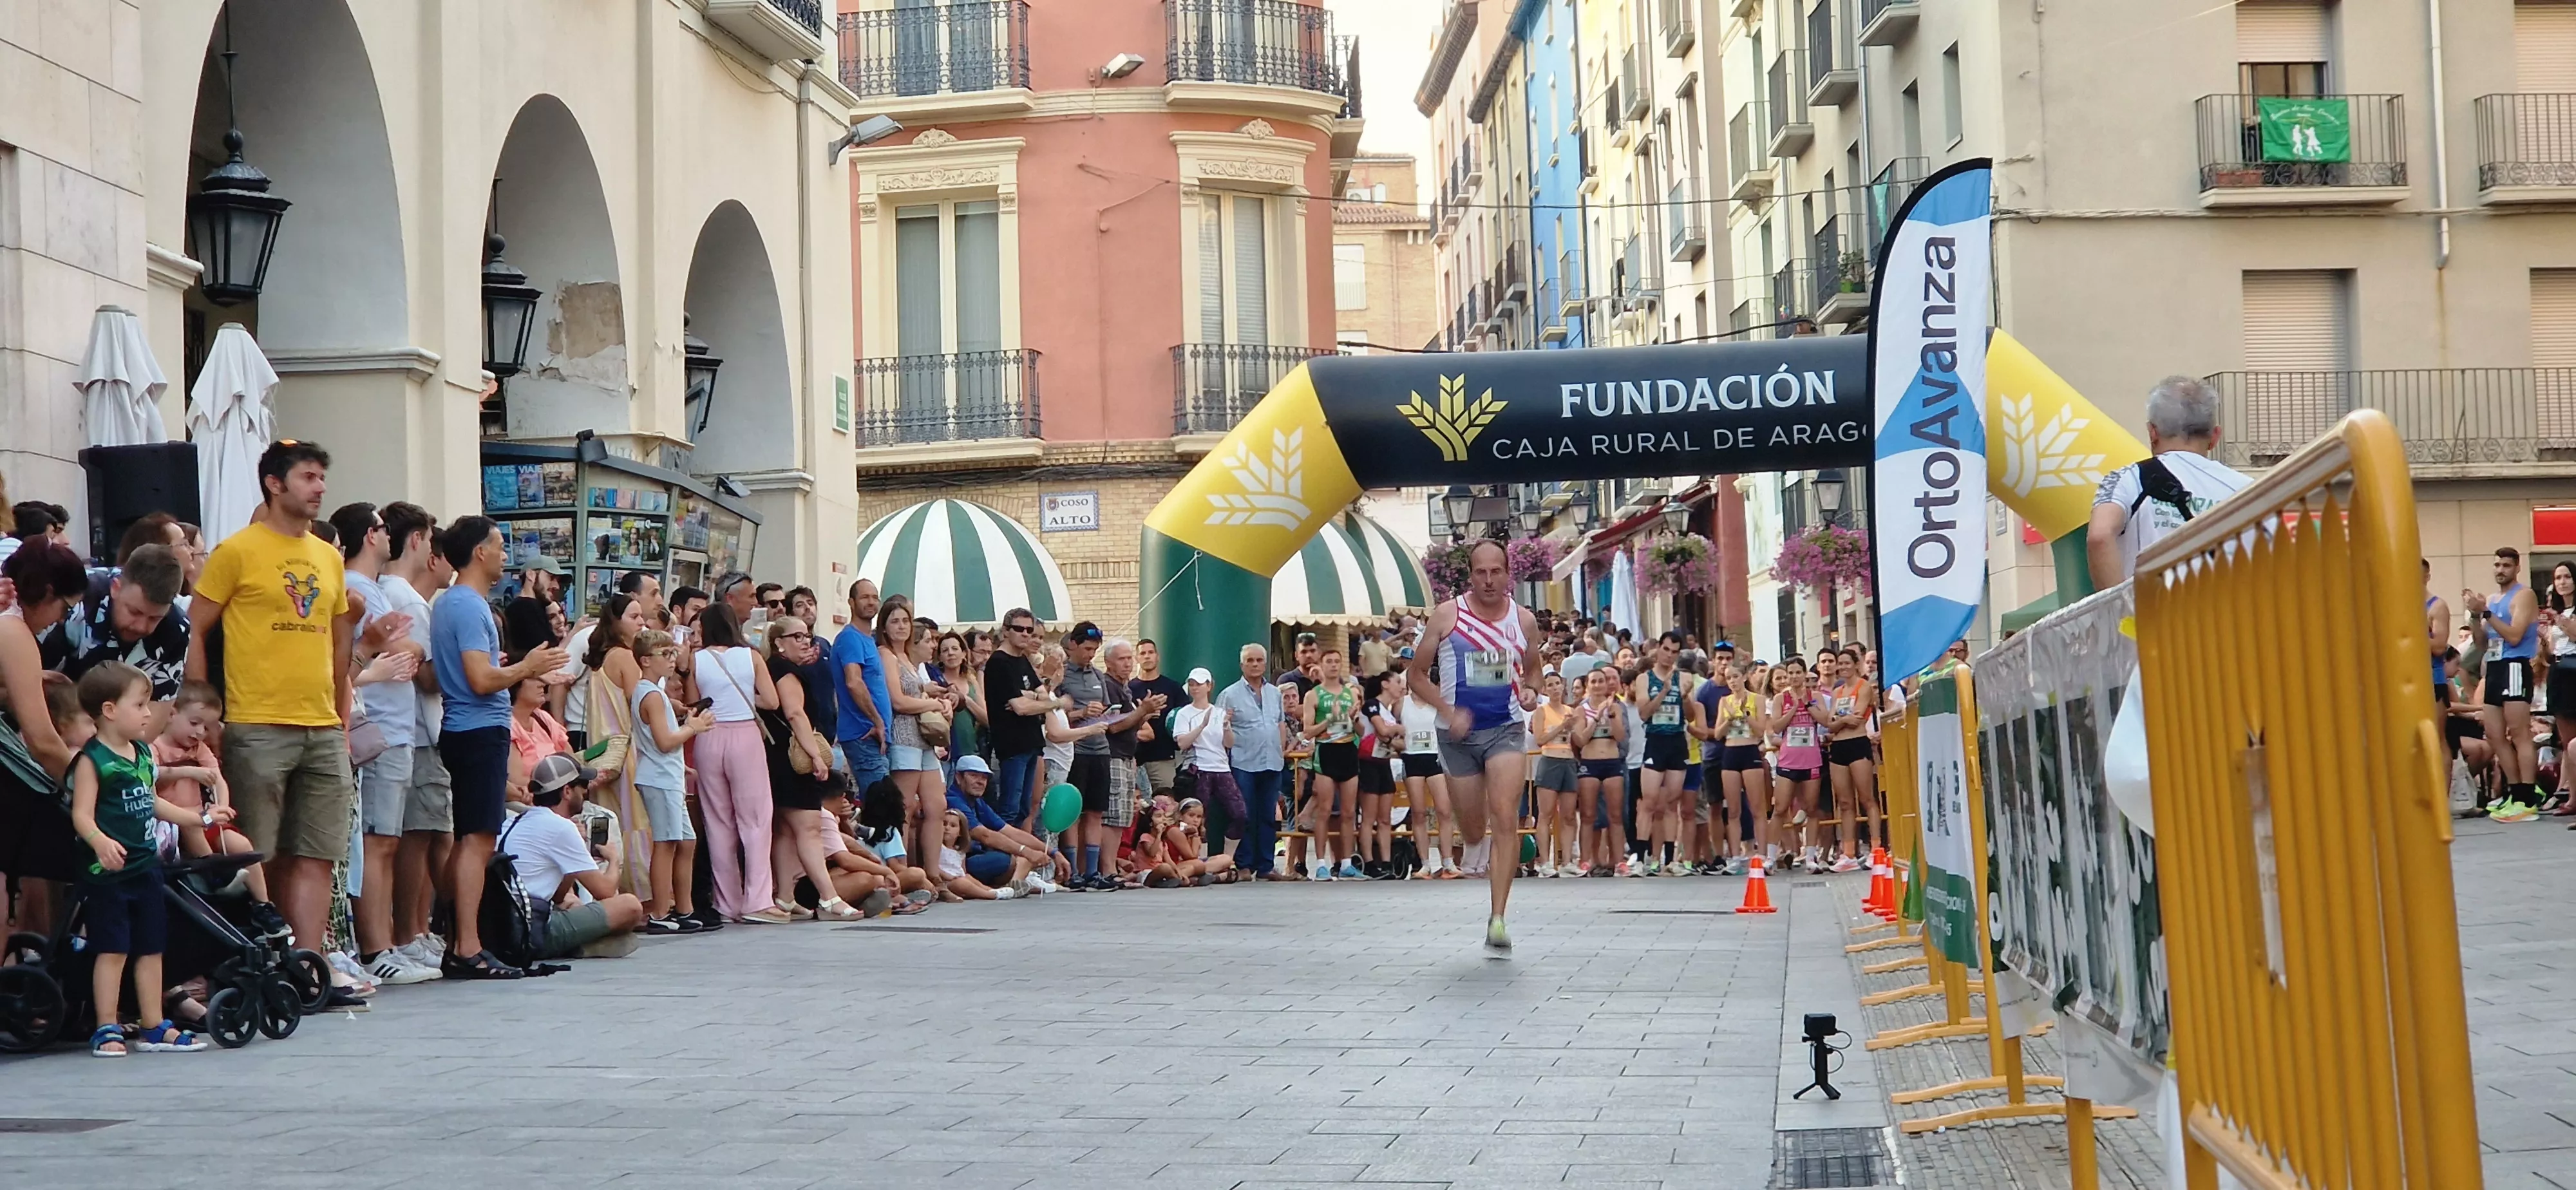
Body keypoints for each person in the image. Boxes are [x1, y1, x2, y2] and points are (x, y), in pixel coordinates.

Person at [184, 441, 400, 988]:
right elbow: (198, 629)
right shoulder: (237, 551)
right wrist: (203, 709)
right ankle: (258, 965)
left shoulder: (328, 557)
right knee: (258, 852)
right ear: (275, 484)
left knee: (317, 850)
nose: (320, 487)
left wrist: (340, 709)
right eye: (308, 477)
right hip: (257, 720)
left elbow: (333, 638)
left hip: (322, 724)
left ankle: (308, 968)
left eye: (322, 478)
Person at [430, 514, 569, 978]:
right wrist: (525, 667)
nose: (505, 555)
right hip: (477, 729)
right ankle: (467, 945)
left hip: (466, 728)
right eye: (499, 545)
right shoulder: (468, 606)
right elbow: (481, 679)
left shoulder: (452, 603)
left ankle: (460, 938)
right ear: (479, 552)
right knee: (476, 839)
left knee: (472, 836)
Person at [66, 662, 216, 1055]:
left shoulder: (142, 755)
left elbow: (152, 803)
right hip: (108, 873)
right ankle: (106, 1025)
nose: (150, 713)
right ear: (110, 710)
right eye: (140, 704)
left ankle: (153, 1024)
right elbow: (81, 813)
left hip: (145, 867)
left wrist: (198, 817)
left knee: (151, 947)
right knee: (112, 948)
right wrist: (99, 841)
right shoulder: (92, 760)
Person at [1406, 539, 1542, 952]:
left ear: (1507, 573)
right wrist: (1448, 711)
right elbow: (1415, 676)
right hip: (1458, 737)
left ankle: (1498, 917)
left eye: (1495, 572)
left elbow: (1534, 671)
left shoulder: (1524, 620)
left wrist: (1533, 694)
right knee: (1472, 826)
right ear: (1471, 575)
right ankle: (1473, 844)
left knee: (1505, 819)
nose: (1488, 580)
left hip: (1506, 729)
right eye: (1480, 572)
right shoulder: (1447, 616)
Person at [325, 502, 439, 985]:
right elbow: (383, 648)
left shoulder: (372, 587)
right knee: (377, 842)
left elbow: (408, 646)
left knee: (386, 841)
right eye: (378, 527)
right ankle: (375, 947)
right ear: (367, 537)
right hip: (378, 731)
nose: (386, 533)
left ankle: (387, 939)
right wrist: (404, 649)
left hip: (394, 728)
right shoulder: (355, 587)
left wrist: (407, 648)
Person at [374, 501, 453, 976]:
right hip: (420, 728)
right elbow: (425, 676)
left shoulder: (394, 592)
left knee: (418, 835)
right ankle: (406, 932)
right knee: (415, 838)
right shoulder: (404, 597)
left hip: (414, 728)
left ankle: (415, 930)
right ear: (420, 542)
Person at [2087, 375, 2253, 587]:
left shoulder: (2129, 479)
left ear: (2153, 432)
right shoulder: (2247, 488)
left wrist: (2120, 613)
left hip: (2150, 615)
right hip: (2224, 616)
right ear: (2215, 436)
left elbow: (2099, 538)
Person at [687, 601, 786, 923]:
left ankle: (726, 903)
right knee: (756, 819)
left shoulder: (697, 659)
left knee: (718, 821)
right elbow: (771, 701)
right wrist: (744, 693)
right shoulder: (752, 656)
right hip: (745, 735)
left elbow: (694, 703)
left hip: (709, 735)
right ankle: (757, 900)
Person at [760, 616, 862, 922]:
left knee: (786, 831)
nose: (806, 641)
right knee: (810, 828)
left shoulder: (774, 668)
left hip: (777, 756)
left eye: (808, 636)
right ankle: (829, 898)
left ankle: (786, 896)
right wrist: (817, 756)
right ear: (779, 642)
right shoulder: (785, 670)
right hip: (793, 759)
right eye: (798, 636)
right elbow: (795, 714)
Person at [500, 753, 647, 960]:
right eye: (581, 785)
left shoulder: (515, 822)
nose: (586, 791)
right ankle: (576, 947)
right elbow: (605, 891)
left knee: (571, 901)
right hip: (528, 930)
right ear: (567, 791)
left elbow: (559, 896)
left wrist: (570, 860)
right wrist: (613, 859)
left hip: (502, 926)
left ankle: (580, 942)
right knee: (630, 906)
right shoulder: (561, 827)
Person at [34, 543, 188, 732]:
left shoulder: (177, 629)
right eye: (134, 612)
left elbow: (156, 713)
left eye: (154, 618)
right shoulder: (78, 598)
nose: (140, 626)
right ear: (116, 588)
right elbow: (24, 680)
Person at [626, 629, 709, 931]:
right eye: (666, 655)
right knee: (666, 842)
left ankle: (683, 909)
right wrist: (693, 727)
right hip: (659, 778)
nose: (672, 661)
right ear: (646, 660)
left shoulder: (651, 693)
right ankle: (661, 912)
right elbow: (664, 741)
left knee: (686, 840)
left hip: (666, 775)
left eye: (673, 654)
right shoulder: (650, 694)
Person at [876, 597, 950, 890]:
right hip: (904, 734)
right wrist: (930, 701)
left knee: (936, 805)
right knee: (904, 807)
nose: (902, 626)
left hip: (924, 738)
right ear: (884, 625)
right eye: (895, 621)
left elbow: (919, 694)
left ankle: (934, 873)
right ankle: (903, 870)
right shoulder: (886, 655)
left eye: (906, 621)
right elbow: (897, 700)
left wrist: (939, 700)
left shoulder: (908, 657)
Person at [2472, 547, 2546, 818]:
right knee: (2494, 734)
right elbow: (2481, 643)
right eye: (2496, 565)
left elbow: (2514, 636)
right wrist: (2475, 614)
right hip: (2494, 666)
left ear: (2516, 568)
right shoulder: (2492, 598)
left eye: (2505, 565)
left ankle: (2527, 795)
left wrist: (2488, 614)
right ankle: (2515, 791)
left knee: (2519, 733)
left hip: (2515, 665)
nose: (2500, 570)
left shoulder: (2524, 595)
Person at [1057, 622, 1126, 891]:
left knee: (1096, 811)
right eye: (1086, 649)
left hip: (1101, 749)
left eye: (1094, 650)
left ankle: (1093, 871)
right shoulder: (1062, 675)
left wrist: (1110, 714)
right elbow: (1053, 715)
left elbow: (1107, 710)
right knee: (1074, 811)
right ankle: (1073, 869)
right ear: (1072, 645)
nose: (1090, 655)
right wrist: (1080, 715)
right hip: (1076, 749)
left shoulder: (1098, 676)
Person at [1630, 632, 1705, 876]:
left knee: (1673, 802)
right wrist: (1663, 691)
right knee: (1649, 801)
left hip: (1677, 742)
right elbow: (1644, 713)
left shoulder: (1684, 677)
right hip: (1655, 741)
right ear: (1658, 649)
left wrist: (1683, 697)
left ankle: (1671, 861)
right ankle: (1641, 858)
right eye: (1666, 650)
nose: (1669, 655)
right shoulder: (1644, 678)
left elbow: (1691, 716)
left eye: (1674, 652)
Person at [1217, 643, 1289, 881]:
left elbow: (1280, 723)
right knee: (1245, 814)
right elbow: (1219, 729)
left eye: (1259, 660)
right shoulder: (1229, 694)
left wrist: (1281, 749)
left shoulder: (1275, 693)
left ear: (1266, 663)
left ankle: (1266, 866)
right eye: (1250, 661)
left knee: (1269, 815)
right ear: (1242, 665)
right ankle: (1244, 864)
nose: (1256, 664)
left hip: (1272, 761)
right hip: (1243, 762)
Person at [983, 607, 1056, 832]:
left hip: (1032, 743)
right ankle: (1002, 860)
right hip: (1012, 746)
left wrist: (1029, 697)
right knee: (1009, 809)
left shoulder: (1022, 660)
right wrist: (1056, 703)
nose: (1026, 634)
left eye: (1029, 630)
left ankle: (1015, 859)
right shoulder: (999, 662)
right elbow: (1021, 708)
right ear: (1006, 631)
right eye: (1019, 629)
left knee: (1025, 809)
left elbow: (1042, 694)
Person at [946, 755, 1058, 895]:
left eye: (984, 778)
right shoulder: (953, 800)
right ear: (958, 777)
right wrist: (1026, 851)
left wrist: (1053, 852)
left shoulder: (977, 802)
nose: (980, 782)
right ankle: (1015, 884)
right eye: (974, 776)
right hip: (958, 863)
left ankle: (1016, 884)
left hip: (976, 857)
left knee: (1021, 857)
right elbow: (984, 835)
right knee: (1009, 859)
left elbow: (1009, 831)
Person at [1300, 648, 1364, 881]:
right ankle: (1320, 864)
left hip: (1348, 750)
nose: (1334, 666)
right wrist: (1330, 718)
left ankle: (1346, 862)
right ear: (1322, 665)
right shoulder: (1314, 695)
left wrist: (1355, 719)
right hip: (1326, 752)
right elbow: (1307, 732)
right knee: (1325, 810)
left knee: (1348, 812)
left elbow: (1361, 731)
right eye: (1329, 662)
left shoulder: (1350, 693)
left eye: (1337, 662)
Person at [1764, 659, 1833, 874]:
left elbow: (1826, 721)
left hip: (1811, 759)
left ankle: (1811, 857)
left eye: (1797, 673)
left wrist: (1807, 704)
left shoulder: (1816, 697)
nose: (1793, 677)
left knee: (1812, 809)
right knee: (1780, 808)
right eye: (1790, 673)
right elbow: (1776, 726)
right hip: (1788, 760)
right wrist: (1793, 708)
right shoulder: (1780, 698)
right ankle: (1770, 857)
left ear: (1805, 675)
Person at [1100, 639, 1161, 879]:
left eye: (1129, 658)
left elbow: (1131, 724)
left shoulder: (1124, 688)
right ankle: (1106, 869)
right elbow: (1113, 726)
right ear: (1108, 662)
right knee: (1112, 816)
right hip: (1112, 756)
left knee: (1123, 817)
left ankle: (1111, 868)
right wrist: (1142, 712)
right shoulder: (1108, 685)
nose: (1127, 663)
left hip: (1126, 757)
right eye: (1121, 659)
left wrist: (1143, 714)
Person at [831, 579, 893, 811]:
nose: (871, 602)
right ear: (851, 602)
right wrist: (877, 721)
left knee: (884, 805)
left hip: (874, 735)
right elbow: (853, 682)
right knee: (881, 808)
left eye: (875, 597)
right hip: (863, 733)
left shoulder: (867, 639)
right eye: (865, 597)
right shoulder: (850, 638)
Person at [1170, 667, 1242, 856]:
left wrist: (1226, 726)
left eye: (1200, 684)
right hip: (1198, 768)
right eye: (1192, 684)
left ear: (1209, 686)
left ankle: (1227, 858)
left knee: (1240, 814)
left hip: (1221, 768)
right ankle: (1195, 857)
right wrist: (1202, 725)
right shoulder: (1185, 713)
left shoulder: (1219, 712)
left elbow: (1229, 743)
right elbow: (1182, 743)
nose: (1195, 688)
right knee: (1198, 818)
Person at [1396, 672, 1460, 879]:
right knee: (1419, 813)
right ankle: (1424, 864)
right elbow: (1393, 728)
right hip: (1412, 757)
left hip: (1435, 757)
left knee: (1444, 810)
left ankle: (1448, 862)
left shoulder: (1437, 702)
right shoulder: (1401, 704)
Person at [1823, 651, 1877, 871]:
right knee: (1845, 802)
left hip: (1858, 743)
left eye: (1847, 663)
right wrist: (1842, 720)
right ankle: (1848, 853)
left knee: (1867, 798)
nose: (1843, 667)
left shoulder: (1863, 686)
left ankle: (1876, 849)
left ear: (1856, 665)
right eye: (1840, 663)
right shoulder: (1837, 691)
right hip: (1838, 746)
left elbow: (1858, 718)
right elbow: (1831, 723)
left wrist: (1840, 720)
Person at [1573, 666, 1629, 878]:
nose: (1597, 686)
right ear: (1588, 686)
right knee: (1588, 815)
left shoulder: (1615, 707)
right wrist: (1596, 717)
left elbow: (1621, 736)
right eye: (1593, 682)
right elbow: (1580, 739)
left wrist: (1612, 715)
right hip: (1590, 762)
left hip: (1612, 762)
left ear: (1607, 685)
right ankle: (1585, 859)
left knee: (1616, 815)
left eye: (1601, 681)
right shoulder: (1581, 709)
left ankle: (1619, 860)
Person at [1528, 671, 1580, 877]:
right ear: (1545, 690)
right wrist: (1562, 727)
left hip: (1568, 760)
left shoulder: (1570, 710)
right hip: (1550, 760)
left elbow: (1575, 737)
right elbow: (1540, 739)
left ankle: (1567, 861)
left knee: (1568, 815)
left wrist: (1574, 728)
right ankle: (1545, 862)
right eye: (1551, 685)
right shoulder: (1542, 711)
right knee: (1545, 814)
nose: (1555, 688)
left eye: (1558, 684)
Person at [1357, 669, 1403, 879]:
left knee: (1385, 818)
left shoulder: (1389, 712)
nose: (1401, 686)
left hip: (1384, 763)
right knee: (1369, 817)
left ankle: (1386, 862)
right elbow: (1382, 731)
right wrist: (1396, 731)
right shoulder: (1372, 705)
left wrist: (1393, 734)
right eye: (1397, 682)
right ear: (1385, 684)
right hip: (1368, 763)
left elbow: (1399, 741)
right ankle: (1369, 861)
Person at [1130, 639, 1188, 802]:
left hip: (1163, 758)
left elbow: (1186, 718)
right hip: (1134, 759)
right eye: (1143, 653)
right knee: (1136, 808)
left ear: (1158, 656)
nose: (1147, 657)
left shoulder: (1172, 687)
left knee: (1166, 805)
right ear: (1137, 658)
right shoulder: (1128, 689)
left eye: (1151, 652)